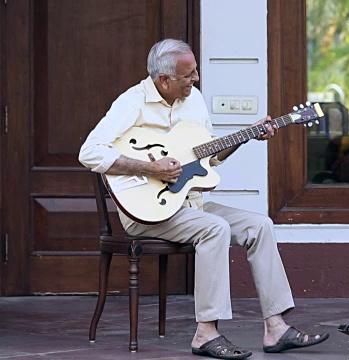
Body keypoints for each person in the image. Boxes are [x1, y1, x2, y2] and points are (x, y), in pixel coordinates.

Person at [79, 39, 329, 360]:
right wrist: (149, 166)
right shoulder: (133, 102)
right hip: (147, 212)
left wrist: (248, 134)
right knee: (215, 229)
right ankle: (205, 333)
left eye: (195, 71)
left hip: (190, 203)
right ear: (164, 80)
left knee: (259, 225)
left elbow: (210, 156)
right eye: (188, 75)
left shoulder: (193, 100)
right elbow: (90, 152)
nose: (196, 79)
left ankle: (275, 328)